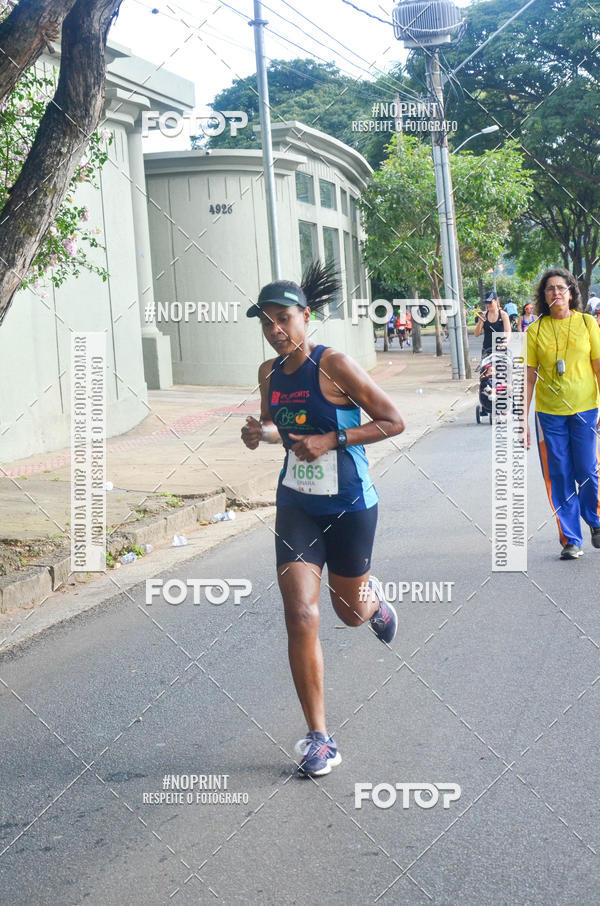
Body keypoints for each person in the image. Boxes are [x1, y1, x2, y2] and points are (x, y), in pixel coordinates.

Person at [241, 262, 405, 777]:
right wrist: (260, 434)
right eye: (266, 322)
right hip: (297, 505)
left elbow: (394, 421)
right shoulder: (269, 373)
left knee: (348, 613)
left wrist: (331, 439)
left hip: (351, 504)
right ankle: (320, 738)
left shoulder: (334, 365)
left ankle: (372, 602)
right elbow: (276, 426)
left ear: (305, 316)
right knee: (300, 614)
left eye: (283, 318)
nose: (275, 329)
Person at [525, 267, 600, 560]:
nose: (556, 292)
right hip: (549, 414)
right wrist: (522, 420)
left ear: (571, 293)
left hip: (585, 409)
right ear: (544, 296)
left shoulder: (587, 323)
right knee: (559, 474)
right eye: (550, 288)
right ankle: (571, 539)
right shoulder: (535, 330)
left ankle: (595, 520)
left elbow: (598, 367)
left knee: (587, 469)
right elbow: (529, 377)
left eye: (561, 287)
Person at [474, 290, 511, 356]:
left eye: (490, 302)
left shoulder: (503, 315)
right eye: (486, 302)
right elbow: (476, 334)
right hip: (487, 349)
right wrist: (480, 322)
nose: (488, 305)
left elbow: (507, 332)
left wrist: (504, 344)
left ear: (496, 300)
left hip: (500, 349)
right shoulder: (484, 315)